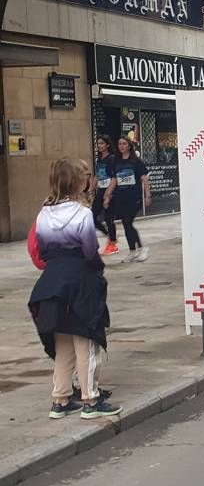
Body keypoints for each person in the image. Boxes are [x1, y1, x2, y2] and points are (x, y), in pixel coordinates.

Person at [28, 158, 121, 419]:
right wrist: (98, 268)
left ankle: (60, 399)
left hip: (51, 283)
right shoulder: (82, 213)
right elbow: (90, 252)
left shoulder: (43, 212)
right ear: (79, 183)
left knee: (63, 346)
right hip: (79, 282)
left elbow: (43, 251)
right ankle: (91, 400)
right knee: (87, 343)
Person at [111, 136, 150, 263]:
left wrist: (147, 195)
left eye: (124, 143)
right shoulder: (116, 161)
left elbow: (144, 179)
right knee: (126, 224)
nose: (121, 146)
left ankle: (142, 248)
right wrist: (107, 194)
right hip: (121, 197)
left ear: (129, 146)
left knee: (128, 222)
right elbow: (115, 180)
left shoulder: (136, 161)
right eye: (119, 144)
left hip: (134, 197)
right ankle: (132, 251)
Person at [91, 135, 118, 256]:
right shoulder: (99, 159)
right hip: (100, 190)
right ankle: (109, 236)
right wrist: (91, 190)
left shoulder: (112, 159)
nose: (99, 146)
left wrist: (108, 194)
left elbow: (114, 177)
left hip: (110, 191)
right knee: (92, 216)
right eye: (98, 144)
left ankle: (113, 244)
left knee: (108, 218)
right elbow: (97, 176)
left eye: (102, 143)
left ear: (107, 145)